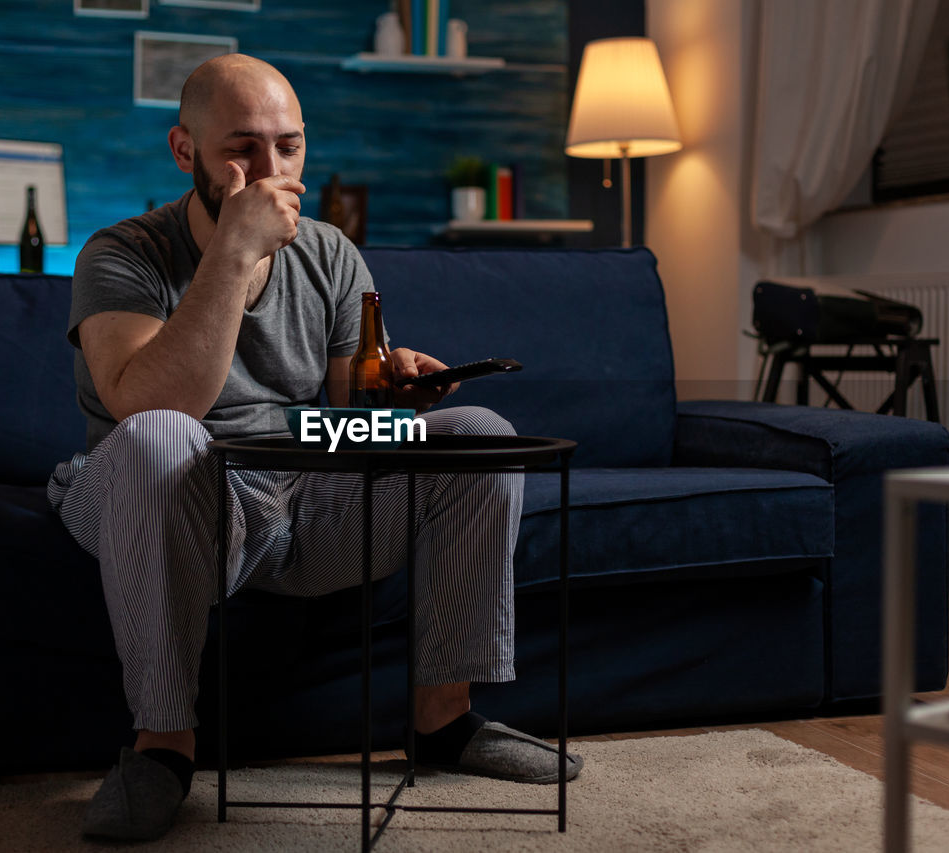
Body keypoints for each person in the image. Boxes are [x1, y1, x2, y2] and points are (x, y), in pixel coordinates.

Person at [46, 53, 582, 842]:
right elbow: (147, 403)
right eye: (242, 148)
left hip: (299, 485)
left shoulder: (329, 252)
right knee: (162, 436)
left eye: (288, 147)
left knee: (478, 436)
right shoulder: (121, 253)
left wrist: (396, 391)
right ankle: (162, 748)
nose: (271, 171)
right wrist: (235, 249)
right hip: (161, 485)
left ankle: (444, 721)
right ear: (184, 149)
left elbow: (347, 411)